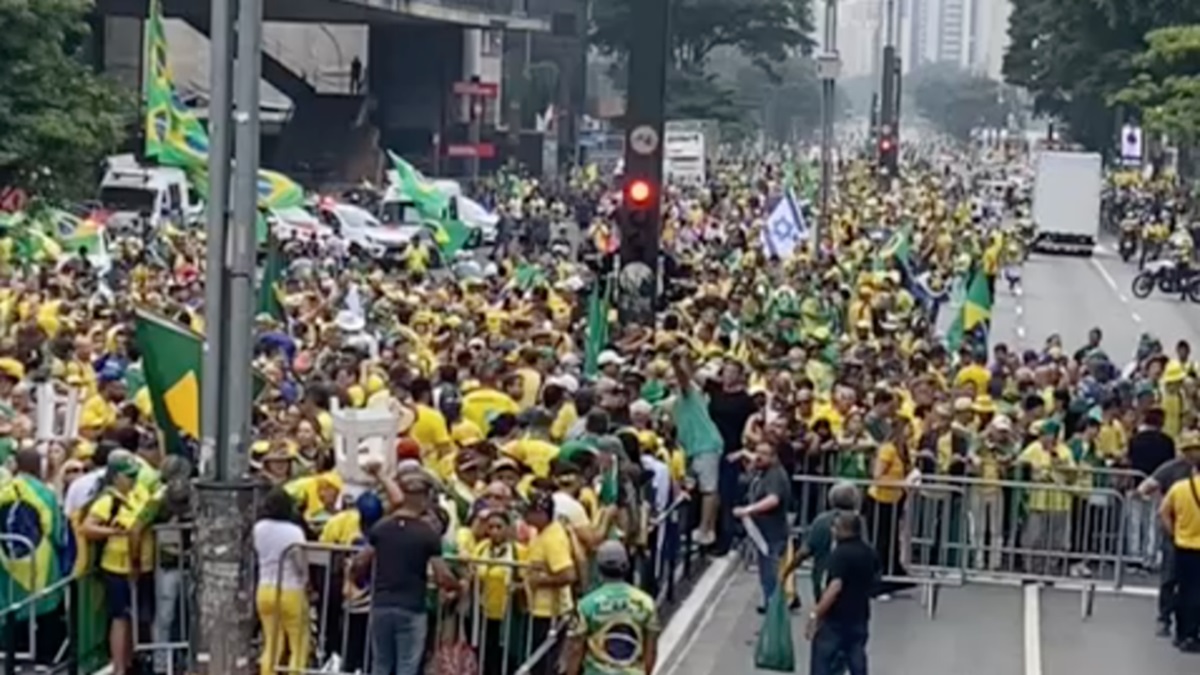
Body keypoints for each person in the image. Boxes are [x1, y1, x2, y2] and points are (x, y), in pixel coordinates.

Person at [352, 471, 457, 675]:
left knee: (381, 663)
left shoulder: (381, 527)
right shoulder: (427, 533)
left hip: (381, 603)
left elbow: (360, 561)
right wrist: (457, 587)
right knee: (407, 666)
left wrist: (358, 581)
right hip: (412, 606)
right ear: (424, 498)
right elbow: (442, 575)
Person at [565, 541, 660, 675]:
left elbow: (575, 649)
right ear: (626, 566)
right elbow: (651, 649)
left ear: (599, 568)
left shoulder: (586, 605)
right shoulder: (646, 603)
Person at [805, 511, 878, 675]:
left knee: (823, 660)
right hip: (859, 616)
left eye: (835, 527)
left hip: (836, 620)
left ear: (844, 530)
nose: (832, 531)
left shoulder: (840, 555)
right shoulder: (869, 553)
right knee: (856, 657)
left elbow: (835, 587)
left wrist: (816, 613)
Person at [252, 487, 309, 675]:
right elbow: (300, 563)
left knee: (272, 643)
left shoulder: (258, 528)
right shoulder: (294, 532)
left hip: (264, 589)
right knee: (298, 643)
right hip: (290, 589)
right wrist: (306, 581)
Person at [733, 441, 791, 611]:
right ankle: (770, 602)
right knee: (766, 571)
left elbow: (773, 499)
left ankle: (774, 607)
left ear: (774, 457)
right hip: (762, 533)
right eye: (757, 452)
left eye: (764, 454)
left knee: (771, 572)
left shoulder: (775, 474)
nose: (758, 457)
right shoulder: (762, 472)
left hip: (773, 533)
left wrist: (748, 510)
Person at [1158, 432, 1200, 653]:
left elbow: (1163, 512)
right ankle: (1192, 633)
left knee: (1183, 589)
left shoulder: (1179, 488)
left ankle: (1180, 632)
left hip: (1183, 544)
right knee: (1196, 592)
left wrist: (1173, 532)